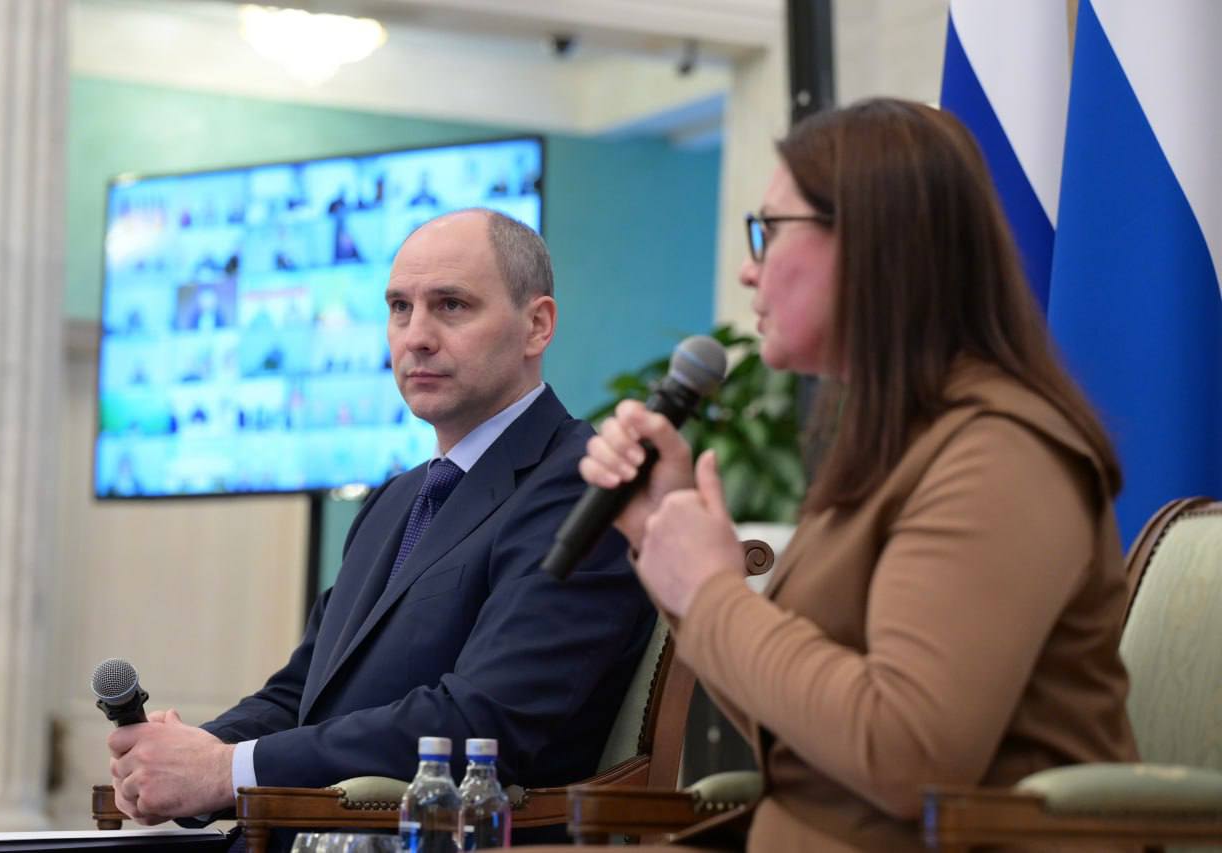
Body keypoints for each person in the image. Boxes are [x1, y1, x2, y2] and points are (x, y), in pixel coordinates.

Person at [576, 99, 1137, 850]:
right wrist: (668, 541)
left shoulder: (1000, 453)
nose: (748, 267)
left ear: (876, 244)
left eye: (770, 230)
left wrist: (710, 594)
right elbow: (796, 733)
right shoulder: (900, 441)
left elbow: (905, 755)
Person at [107, 208, 655, 826]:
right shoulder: (396, 498)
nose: (416, 336)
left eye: (451, 305)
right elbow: (303, 694)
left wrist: (223, 771)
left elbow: (483, 725)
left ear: (537, 325)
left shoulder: (585, 485)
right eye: (400, 307)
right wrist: (186, 754)